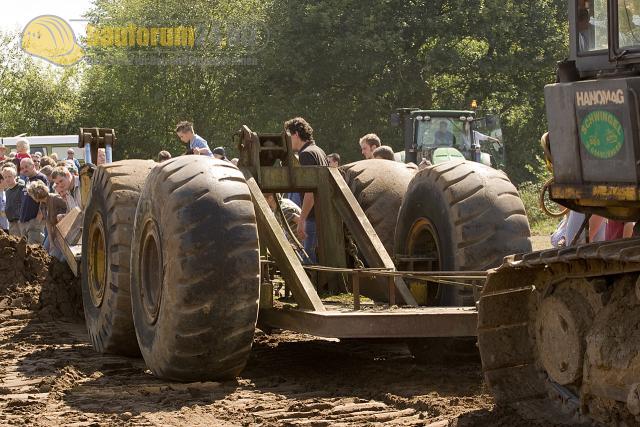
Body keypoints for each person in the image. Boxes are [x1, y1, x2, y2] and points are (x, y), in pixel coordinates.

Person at [285, 117, 328, 263]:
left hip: (312, 218)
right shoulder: (319, 151)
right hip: (322, 216)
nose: (288, 141)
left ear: (296, 134)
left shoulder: (306, 155)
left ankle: (313, 286)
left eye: (289, 136)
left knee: (308, 261)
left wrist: (302, 219)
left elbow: (310, 191)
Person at [26, 180, 67, 260]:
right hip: (54, 231)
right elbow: (48, 223)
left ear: (35, 194)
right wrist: (51, 241)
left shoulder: (55, 198)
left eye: (31, 195)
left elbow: (69, 210)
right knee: (44, 250)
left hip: (63, 232)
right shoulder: (42, 205)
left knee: (54, 256)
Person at [18, 158, 47, 244]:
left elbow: (45, 199)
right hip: (24, 221)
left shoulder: (41, 178)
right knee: (24, 252)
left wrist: (38, 218)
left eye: (26, 167)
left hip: (34, 222)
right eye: (22, 168)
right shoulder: (27, 179)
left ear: (33, 166)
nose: (24, 170)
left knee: (33, 253)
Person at [2, 165, 24, 236]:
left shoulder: (21, 188)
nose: (7, 179)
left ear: (14, 176)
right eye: (5, 177)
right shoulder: (7, 191)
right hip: (11, 222)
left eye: (9, 176)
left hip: (20, 221)